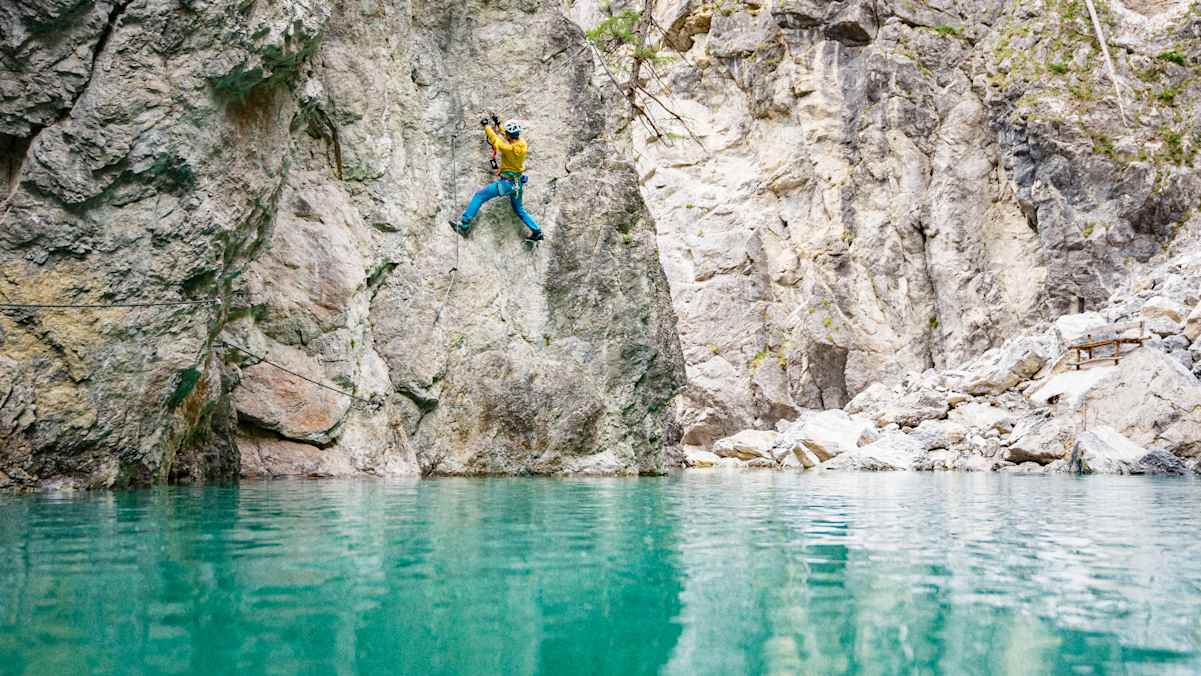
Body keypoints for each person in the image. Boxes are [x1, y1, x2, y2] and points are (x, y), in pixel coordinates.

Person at [449, 114, 544, 242]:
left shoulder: (507, 148)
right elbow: (508, 136)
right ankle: (537, 232)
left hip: (507, 184)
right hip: (517, 184)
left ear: (510, 135)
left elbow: (495, 141)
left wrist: (486, 126)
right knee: (519, 209)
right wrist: (498, 124)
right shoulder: (522, 143)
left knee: (479, 196)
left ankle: (464, 225)